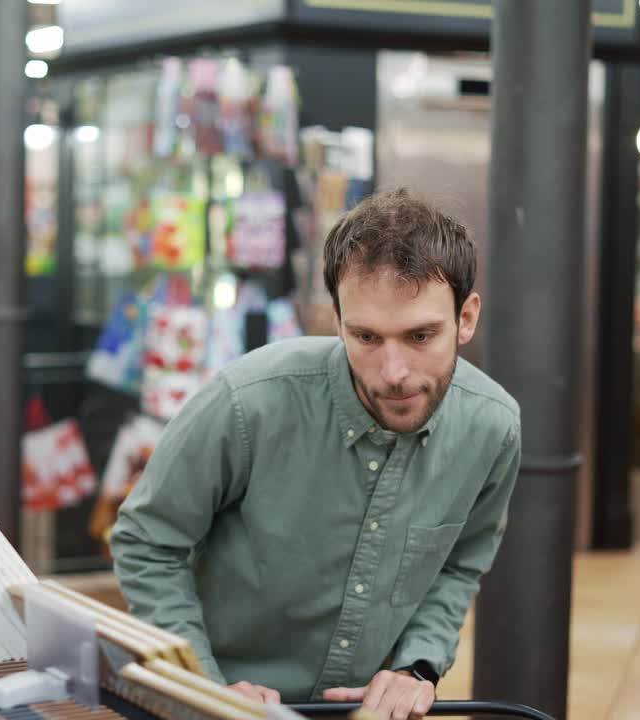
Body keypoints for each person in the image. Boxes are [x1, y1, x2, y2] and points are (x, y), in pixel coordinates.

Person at [110, 188, 521, 720]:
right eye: (367, 336)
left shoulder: (493, 427)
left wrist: (417, 666)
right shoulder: (247, 401)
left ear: (466, 318)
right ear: (336, 319)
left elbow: (460, 565)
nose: (393, 371)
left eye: (421, 335)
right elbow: (147, 541)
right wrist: (204, 687)